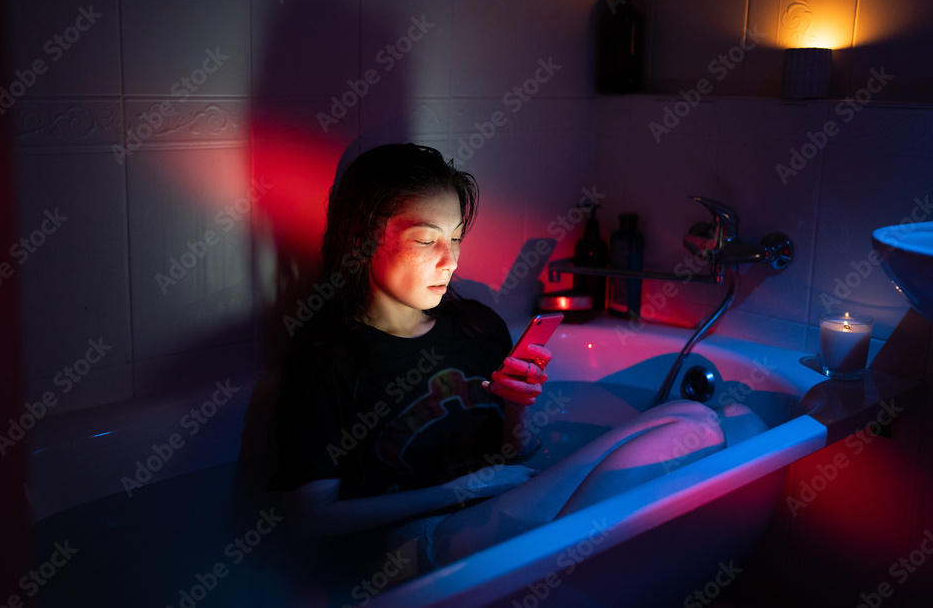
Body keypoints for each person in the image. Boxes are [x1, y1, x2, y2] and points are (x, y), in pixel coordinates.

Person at [270, 143, 762, 579]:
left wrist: (515, 409)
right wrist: (458, 491)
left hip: (492, 511)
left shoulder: (475, 326)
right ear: (362, 240)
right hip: (406, 550)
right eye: (426, 240)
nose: (451, 260)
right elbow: (310, 517)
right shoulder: (328, 359)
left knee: (724, 419)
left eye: (456, 237)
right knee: (691, 431)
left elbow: (515, 457)